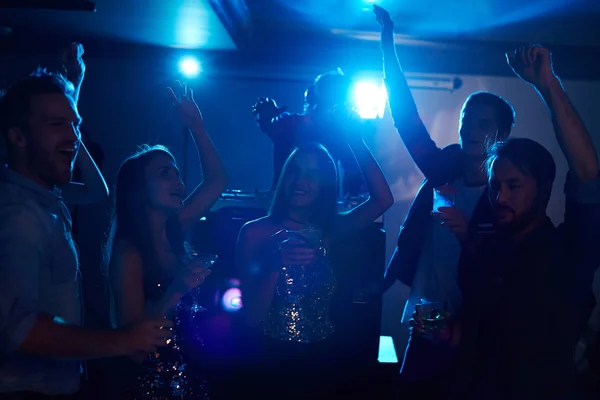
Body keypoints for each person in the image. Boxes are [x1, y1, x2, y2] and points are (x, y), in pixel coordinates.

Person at [411, 44, 600, 399]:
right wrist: (432, 324)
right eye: (496, 187)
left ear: (542, 190)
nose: (502, 197)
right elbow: (472, 332)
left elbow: (588, 173)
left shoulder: (567, 250)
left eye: (514, 186)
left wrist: (546, 84)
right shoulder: (488, 252)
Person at [0, 68, 173, 398]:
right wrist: (127, 339)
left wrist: (68, 118)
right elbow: (18, 330)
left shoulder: (49, 199)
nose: (73, 136)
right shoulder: (19, 216)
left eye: (75, 124)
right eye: (56, 124)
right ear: (18, 137)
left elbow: (97, 190)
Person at [373, 5, 516, 392]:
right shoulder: (443, 170)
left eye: (482, 123)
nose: (470, 128)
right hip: (431, 308)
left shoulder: (506, 194)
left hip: (477, 321)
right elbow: (406, 118)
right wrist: (388, 45)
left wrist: (468, 236)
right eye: (466, 119)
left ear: (500, 134)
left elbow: (505, 270)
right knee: (415, 385)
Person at [236, 110, 393, 399]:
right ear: (284, 176)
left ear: (325, 185)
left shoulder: (328, 231)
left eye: (312, 174)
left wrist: (354, 139)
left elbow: (383, 199)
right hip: (270, 364)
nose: (300, 180)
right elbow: (250, 319)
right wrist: (273, 264)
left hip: (325, 364)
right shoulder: (254, 232)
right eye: (294, 170)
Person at [106, 83, 228, 399]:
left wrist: (196, 126)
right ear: (138, 188)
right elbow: (132, 347)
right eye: (165, 174)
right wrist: (177, 290)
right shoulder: (129, 253)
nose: (178, 180)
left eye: (176, 172)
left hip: (192, 378)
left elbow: (217, 181)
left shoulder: (176, 228)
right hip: (154, 387)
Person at [252, 69, 365, 196]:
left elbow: (352, 168)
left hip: (320, 200)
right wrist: (265, 115)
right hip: (290, 198)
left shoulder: (342, 131)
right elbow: (270, 125)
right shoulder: (295, 123)